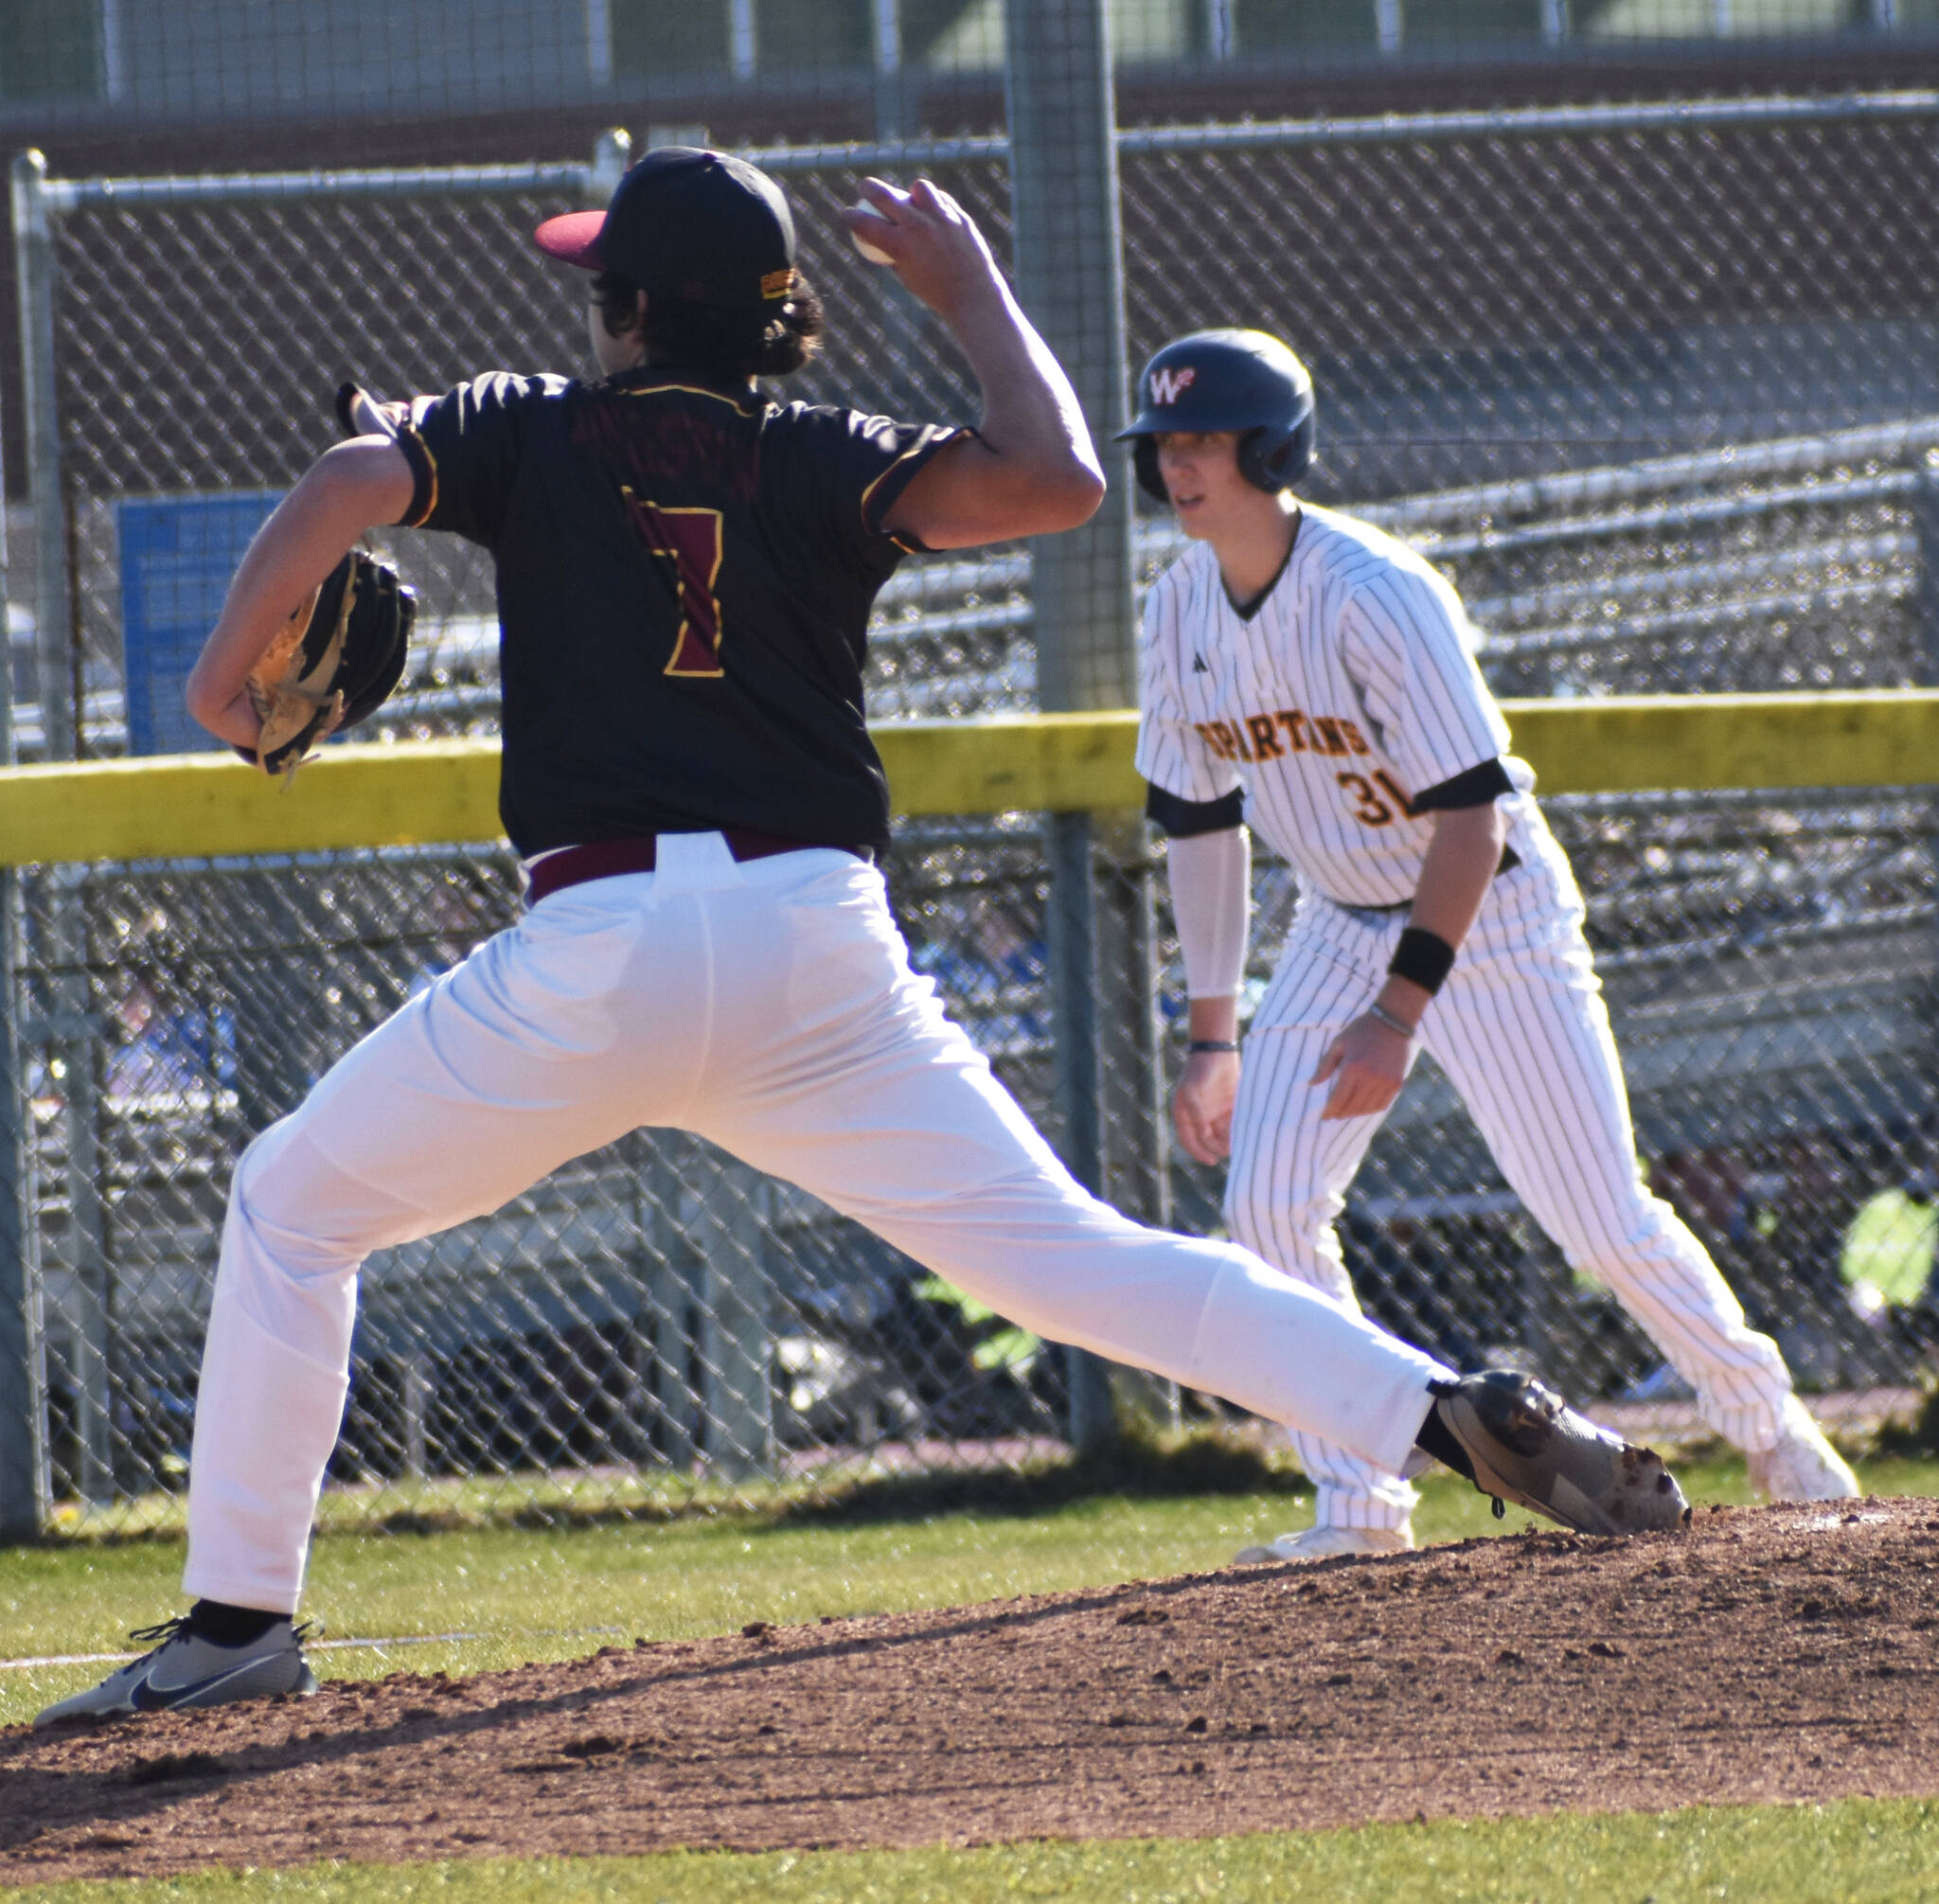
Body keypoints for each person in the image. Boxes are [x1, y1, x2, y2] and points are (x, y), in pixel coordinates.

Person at [39, 158, 1684, 1728]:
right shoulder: (821, 451)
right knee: (1082, 1264)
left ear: (625, 311)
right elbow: (1059, 481)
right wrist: (969, 286)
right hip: (820, 953)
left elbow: (346, 481)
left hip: (595, 949)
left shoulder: (534, 431)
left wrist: (215, 685)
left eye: (598, 286)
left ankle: (238, 1625)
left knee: (291, 1207)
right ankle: (1439, 1410)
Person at [1121, 328, 1859, 1567]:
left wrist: (1400, 1013)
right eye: (1167, 445)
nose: (1183, 466)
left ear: (1272, 446)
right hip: (1338, 922)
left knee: (1602, 1220)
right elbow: (1199, 824)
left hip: (1490, 921)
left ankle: (1774, 1430)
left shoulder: (1374, 591)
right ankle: (1359, 1503)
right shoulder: (1180, 606)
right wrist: (1212, 1034)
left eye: (1206, 440)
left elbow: (1473, 816)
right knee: (1267, 1211)